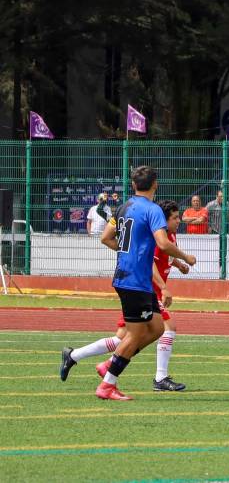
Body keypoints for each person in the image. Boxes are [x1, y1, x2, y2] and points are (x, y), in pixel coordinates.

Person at [83, 166, 195, 400]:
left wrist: (128, 252)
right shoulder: (153, 210)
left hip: (131, 277)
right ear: (155, 184)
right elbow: (163, 244)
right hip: (134, 279)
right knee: (133, 335)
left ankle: (109, 367)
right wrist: (186, 257)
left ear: (134, 185)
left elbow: (105, 238)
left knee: (155, 328)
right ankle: (107, 384)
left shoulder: (123, 207)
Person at [60, 200, 191, 392]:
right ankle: (160, 377)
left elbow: (165, 257)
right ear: (164, 218)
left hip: (141, 288)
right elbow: (151, 263)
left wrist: (179, 265)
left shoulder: (169, 234)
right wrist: (163, 287)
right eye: (175, 217)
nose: (179, 221)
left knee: (123, 338)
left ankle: (76, 356)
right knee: (167, 328)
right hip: (145, 289)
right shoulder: (157, 235)